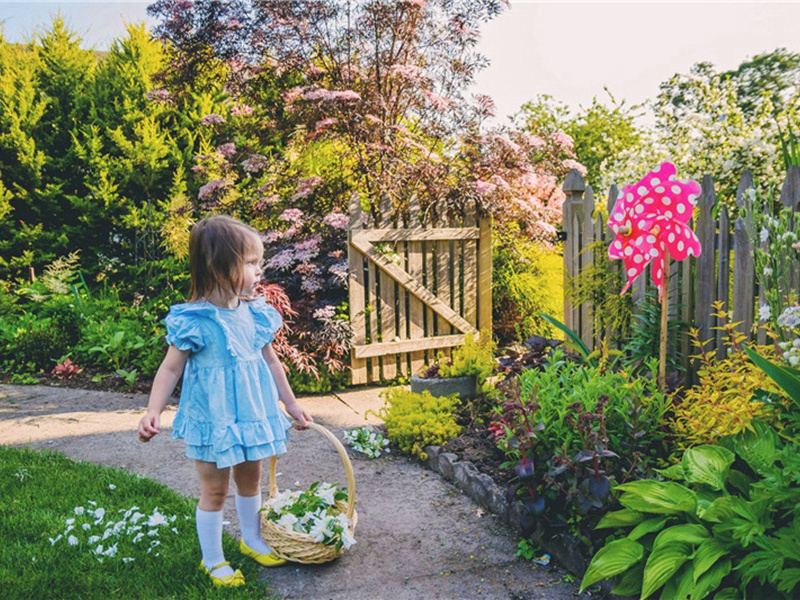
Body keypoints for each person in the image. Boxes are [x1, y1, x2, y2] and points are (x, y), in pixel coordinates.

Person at [137, 214, 313, 587]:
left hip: (251, 413)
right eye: (250, 263)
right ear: (220, 266)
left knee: (251, 481)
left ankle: (251, 540)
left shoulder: (255, 313)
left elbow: (272, 362)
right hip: (214, 419)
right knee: (215, 490)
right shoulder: (194, 318)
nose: (258, 271)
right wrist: (153, 411)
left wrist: (291, 404)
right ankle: (213, 560)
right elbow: (170, 370)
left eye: (258, 262)